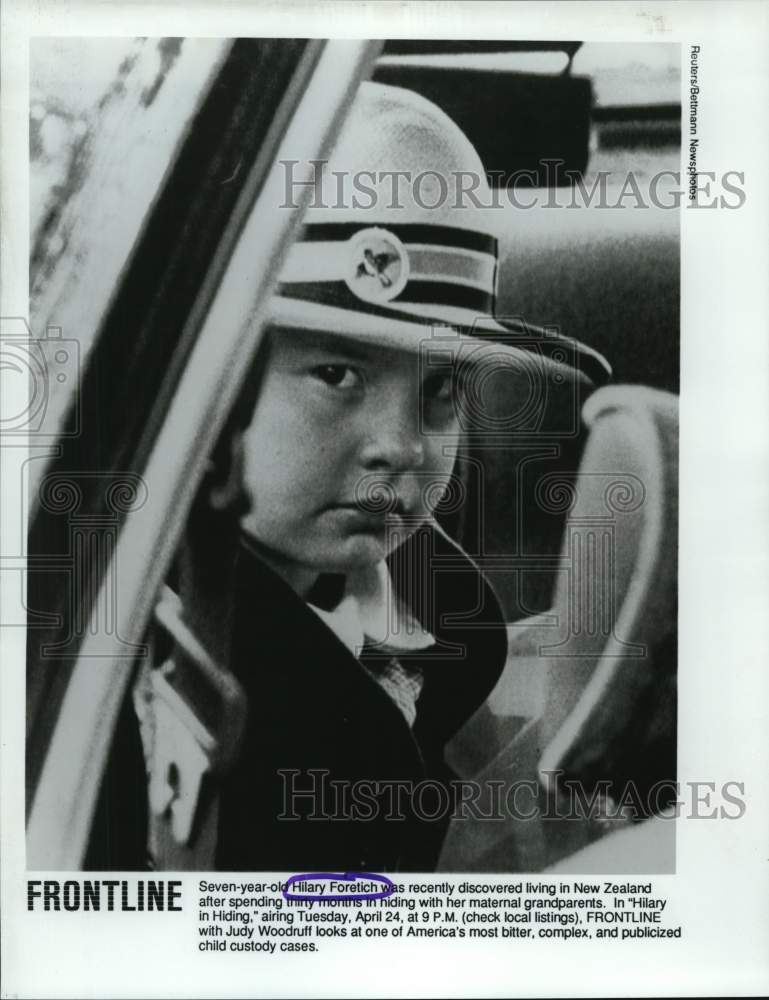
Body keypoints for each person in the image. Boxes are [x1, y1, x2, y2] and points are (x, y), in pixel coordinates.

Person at [89, 80, 610, 873]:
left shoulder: (442, 612)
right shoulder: (126, 667)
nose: (402, 446)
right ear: (211, 392)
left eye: (441, 390)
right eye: (337, 374)